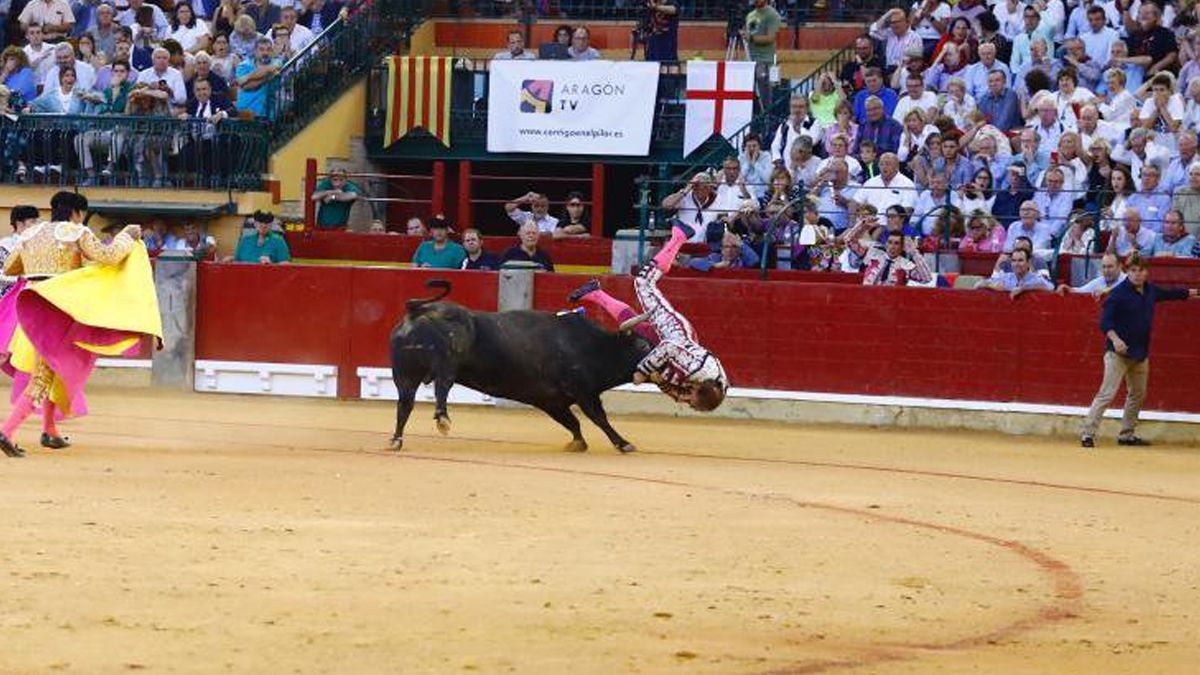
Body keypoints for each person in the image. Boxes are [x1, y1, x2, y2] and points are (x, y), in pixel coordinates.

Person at [0, 191, 158, 457]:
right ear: (76, 213)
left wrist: (39, 268)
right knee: (44, 374)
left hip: (35, 308)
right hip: (62, 309)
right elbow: (108, 256)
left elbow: (11, 269)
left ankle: (50, 431)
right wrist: (126, 236)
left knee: (56, 368)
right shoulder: (76, 232)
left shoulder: (29, 235)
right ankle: (7, 431)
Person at [568, 221, 728, 411]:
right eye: (692, 403)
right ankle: (679, 237)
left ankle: (594, 293)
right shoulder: (696, 370)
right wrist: (642, 371)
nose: (689, 404)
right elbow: (669, 347)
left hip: (674, 352)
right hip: (674, 332)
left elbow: (679, 389)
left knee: (634, 327)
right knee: (643, 282)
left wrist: (667, 386)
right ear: (698, 390)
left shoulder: (717, 388)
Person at [1080, 255, 1199, 448]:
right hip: (1117, 354)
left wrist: (1196, 292)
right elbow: (1105, 323)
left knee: (1137, 394)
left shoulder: (1150, 290)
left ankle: (1126, 434)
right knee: (1106, 394)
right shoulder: (1118, 294)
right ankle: (1088, 434)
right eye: (1133, 271)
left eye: (1140, 270)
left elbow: (1174, 294)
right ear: (1128, 272)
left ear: (1146, 272)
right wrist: (1116, 340)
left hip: (1139, 353)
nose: (1136, 274)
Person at [841, 213, 931, 285]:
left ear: (901, 247)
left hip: (890, 304)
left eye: (896, 243)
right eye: (890, 242)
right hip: (867, 298)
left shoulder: (906, 265)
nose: (892, 246)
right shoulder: (873, 253)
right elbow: (848, 240)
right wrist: (862, 226)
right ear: (886, 243)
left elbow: (926, 279)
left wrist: (914, 253)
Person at [977, 248, 1054, 297]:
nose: (1016, 264)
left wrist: (1024, 288)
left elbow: (1050, 287)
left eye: (1020, 260)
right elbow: (979, 284)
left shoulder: (1035, 278)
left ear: (1028, 263)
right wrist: (993, 286)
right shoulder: (1006, 277)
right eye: (1014, 261)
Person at [0, 205, 39, 298]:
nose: (37, 225)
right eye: (33, 222)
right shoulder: (5, 245)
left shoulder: (38, 244)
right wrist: (19, 279)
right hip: (8, 296)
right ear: (19, 224)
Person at [1056, 252, 1125, 296]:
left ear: (1120, 267)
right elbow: (1081, 291)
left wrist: (1108, 291)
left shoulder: (1127, 279)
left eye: (1110, 266)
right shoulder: (1101, 280)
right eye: (1104, 267)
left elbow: (1126, 288)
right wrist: (1068, 288)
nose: (1106, 270)